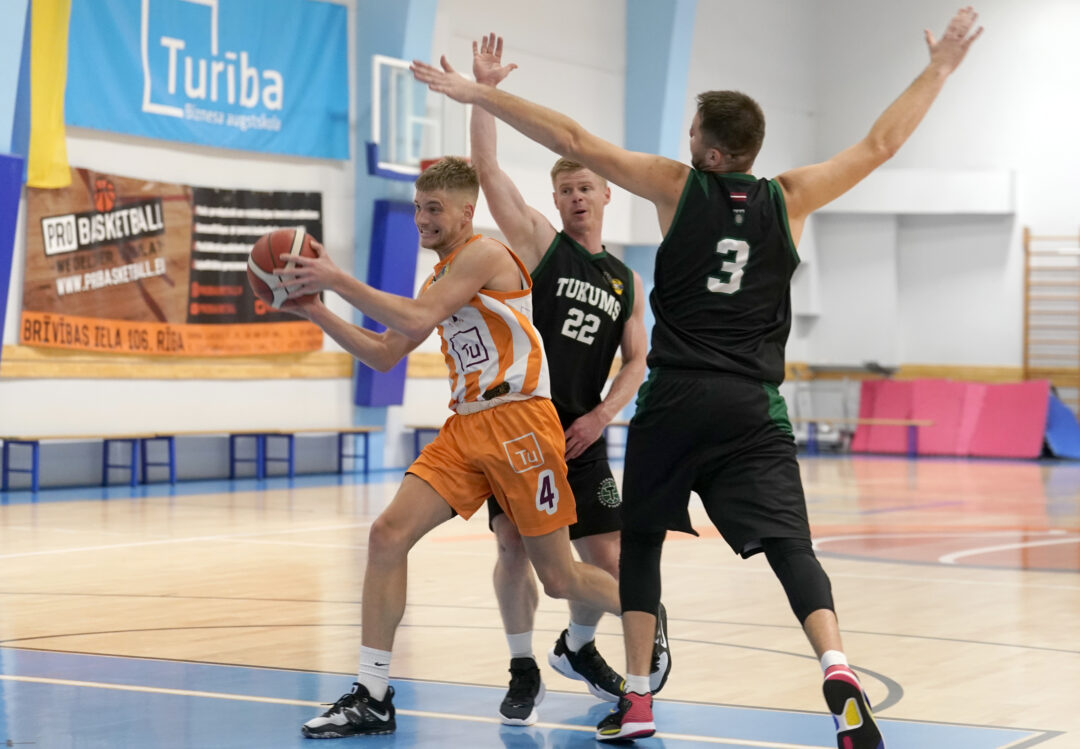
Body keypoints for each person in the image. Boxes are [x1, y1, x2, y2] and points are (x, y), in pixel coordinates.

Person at [412, 7, 982, 747]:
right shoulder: (790, 197)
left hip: (676, 396)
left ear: (709, 152)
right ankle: (836, 664)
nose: (683, 141)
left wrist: (481, 94)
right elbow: (882, 143)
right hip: (753, 404)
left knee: (642, 544)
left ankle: (638, 700)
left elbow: (573, 139)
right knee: (792, 548)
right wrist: (940, 68)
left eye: (691, 134)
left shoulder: (677, 188)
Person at [276, 156, 623, 739]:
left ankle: (643, 609)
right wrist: (314, 310)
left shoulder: (486, 254)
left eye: (433, 208)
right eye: (417, 208)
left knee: (560, 578)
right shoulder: (436, 280)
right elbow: (384, 353)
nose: (422, 218)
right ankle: (373, 694)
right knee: (387, 535)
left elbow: (416, 316)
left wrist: (334, 278)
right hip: (466, 426)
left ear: (466, 211)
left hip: (520, 420)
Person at [467, 35, 668, 727]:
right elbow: (488, 169)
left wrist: (604, 414)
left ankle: (577, 646)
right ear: (554, 199)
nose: (577, 197)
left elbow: (637, 360)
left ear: (608, 192)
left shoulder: (626, 278)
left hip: (585, 430)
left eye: (586, 187)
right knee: (512, 545)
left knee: (607, 556)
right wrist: (484, 93)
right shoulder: (541, 245)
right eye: (565, 190)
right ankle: (523, 665)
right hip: (522, 426)